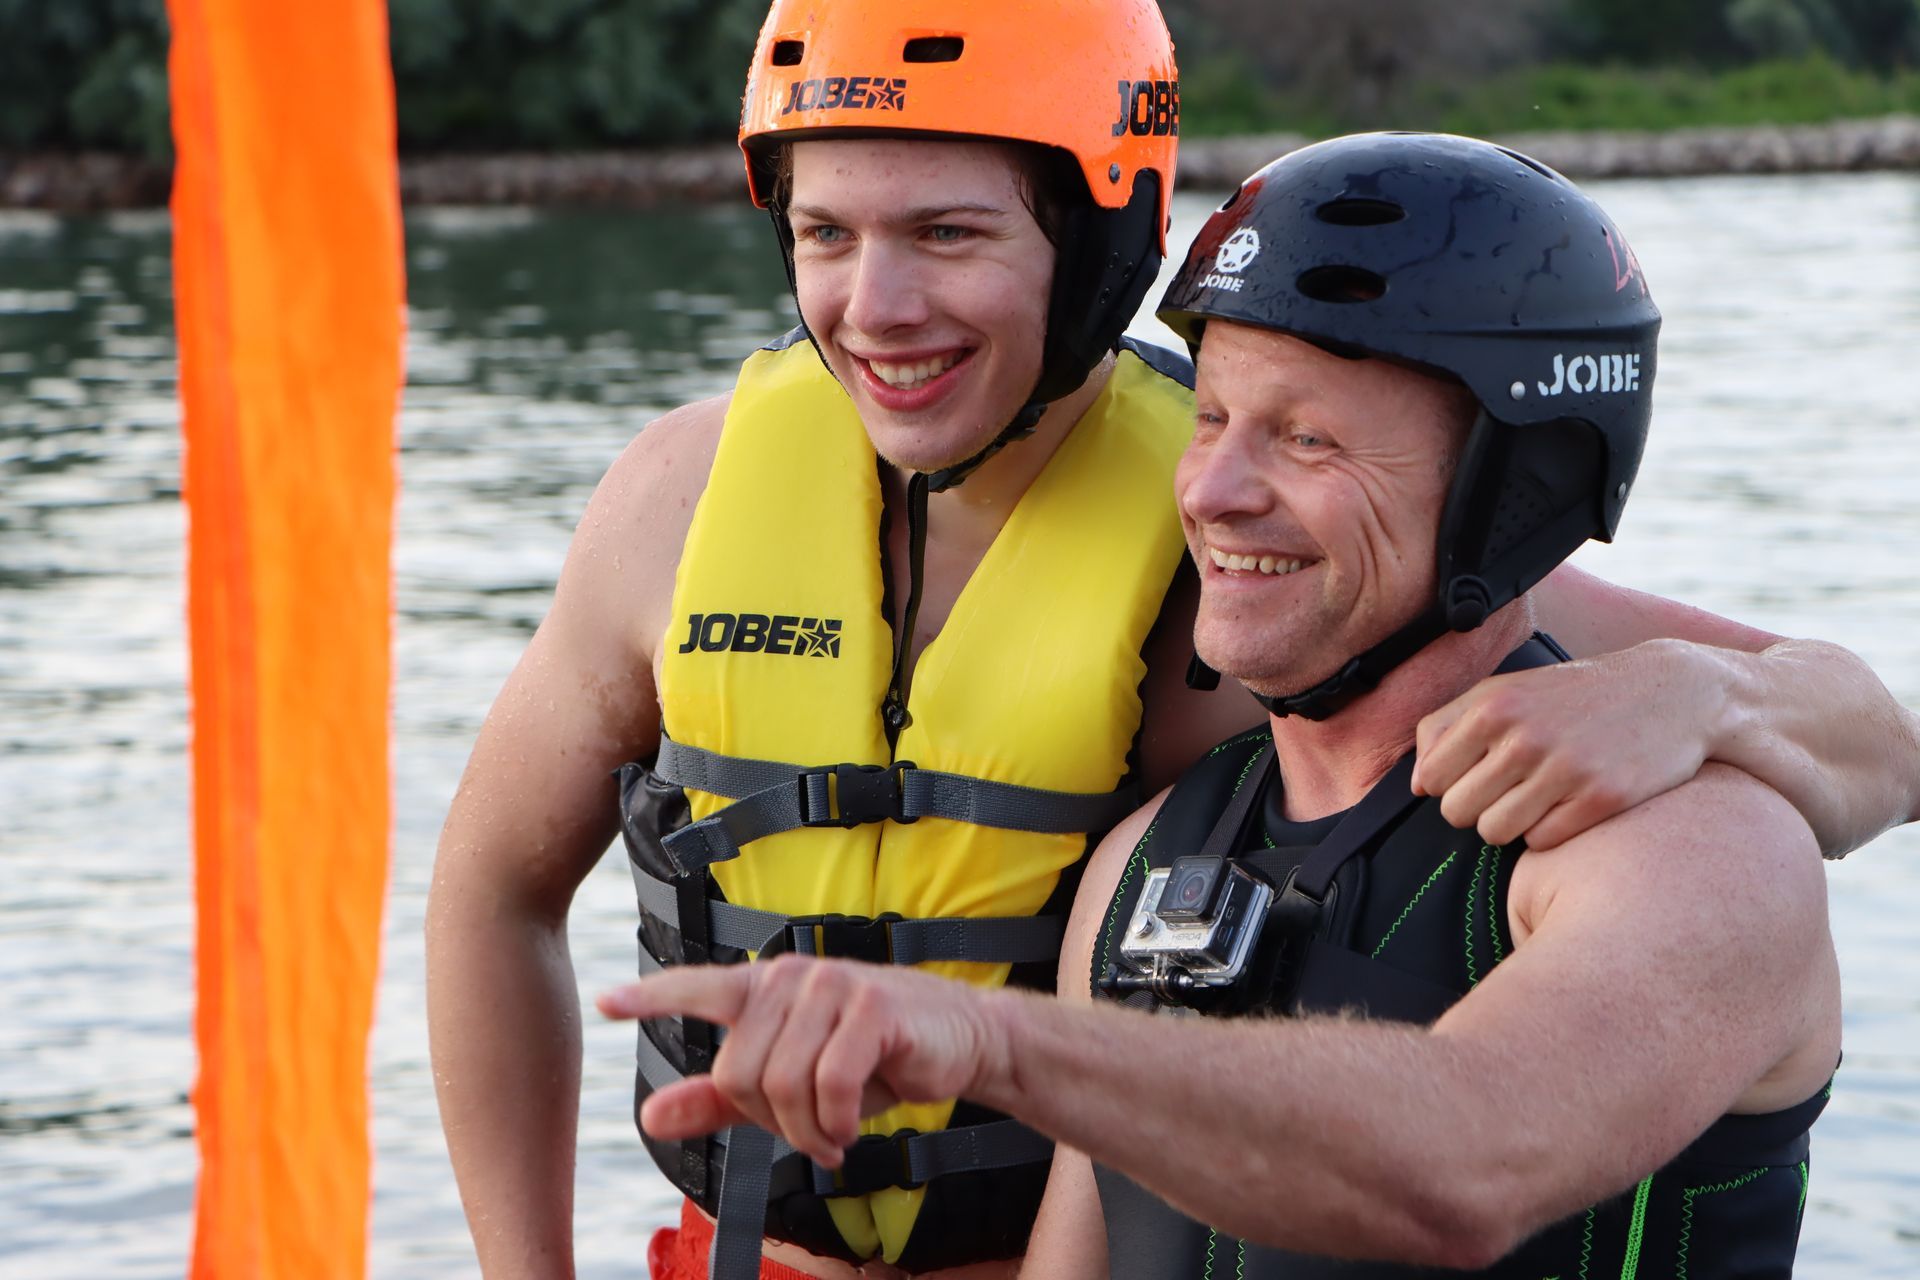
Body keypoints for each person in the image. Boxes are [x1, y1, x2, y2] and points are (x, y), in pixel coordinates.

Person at [427, 2, 1920, 1275]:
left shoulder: (1251, 533)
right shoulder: (676, 504)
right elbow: (491, 893)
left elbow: (1852, 727)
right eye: (825, 232)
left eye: (947, 234)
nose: (872, 306)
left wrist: (1696, 691)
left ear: (1090, 240)